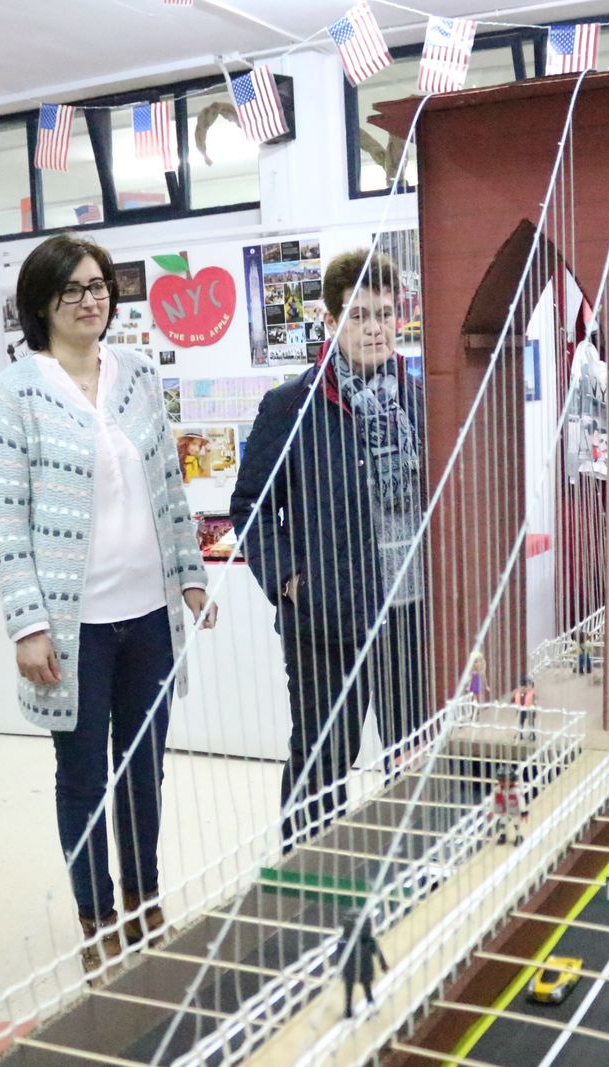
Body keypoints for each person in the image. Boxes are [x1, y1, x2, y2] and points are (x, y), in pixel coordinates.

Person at [0, 234, 213, 975]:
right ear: (42, 304)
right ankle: (97, 917)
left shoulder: (140, 374)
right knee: (83, 774)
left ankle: (146, 902)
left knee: (143, 767)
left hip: (148, 613)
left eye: (100, 285)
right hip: (72, 626)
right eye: (75, 289)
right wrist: (28, 625)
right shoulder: (18, 388)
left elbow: (168, 488)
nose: (93, 299)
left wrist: (191, 572)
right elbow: (5, 518)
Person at [231, 249, 427, 847]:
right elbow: (251, 509)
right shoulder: (289, 406)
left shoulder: (422, 401)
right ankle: (305, 875)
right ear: (332, 319)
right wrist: (290, 579)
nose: (375, 328)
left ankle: (412, 863)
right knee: (322, 759)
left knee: (414, 757)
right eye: (360, 314)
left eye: (386, 314)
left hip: (410, 616)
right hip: (323, 620)